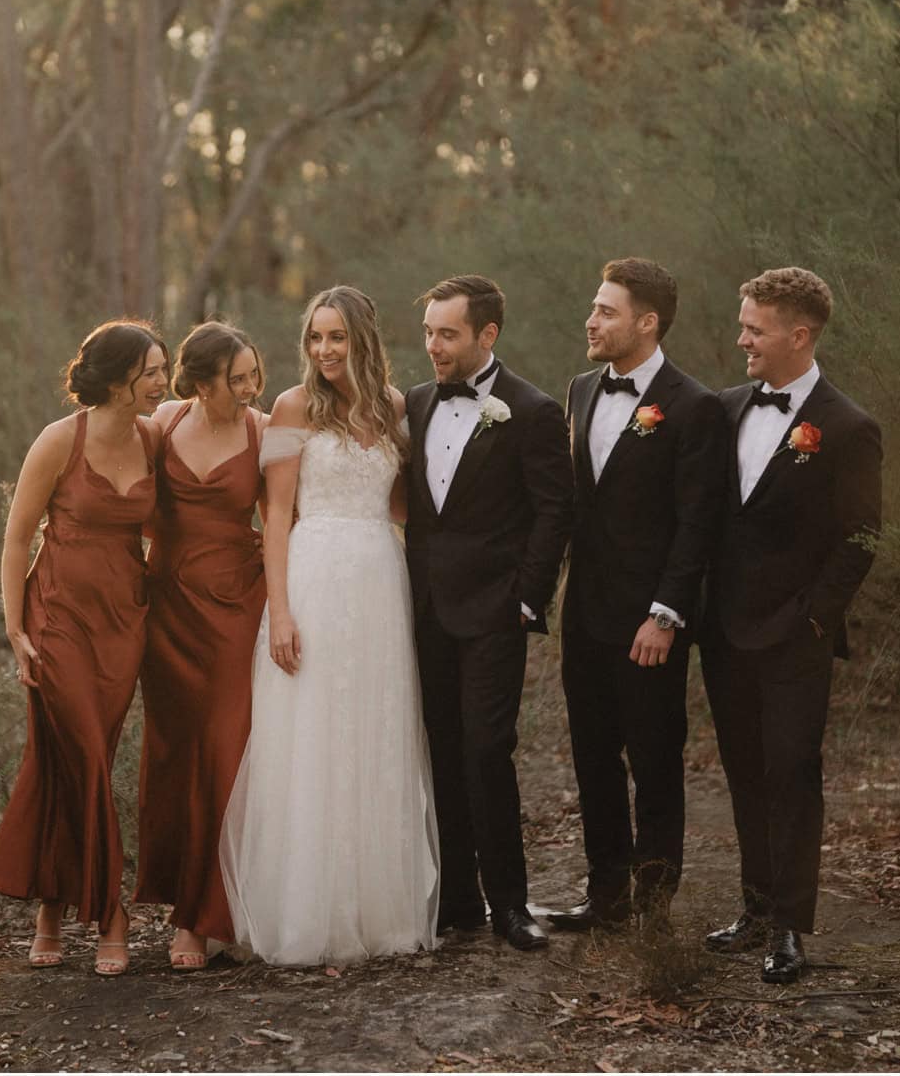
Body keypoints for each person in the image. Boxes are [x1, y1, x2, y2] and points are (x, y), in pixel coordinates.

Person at [218, 286, 438, 965]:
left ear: (363, 339)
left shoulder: (395, 409)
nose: (324, 350)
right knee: (312, 731)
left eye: (337, 336)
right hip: (312, 577)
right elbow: (274, 514)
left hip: (378, 579)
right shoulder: (289, 408)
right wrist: (280, 610)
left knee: (376, 726)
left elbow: (403, 505)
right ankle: (307, 911)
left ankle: (379, 911)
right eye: (315, 337)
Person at [701, 267, 882, 984]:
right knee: (744, 771)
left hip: (794, 638)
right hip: (725, 632)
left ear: (798, 335)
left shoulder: (847, 427)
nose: (741, 336)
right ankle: (754, 906)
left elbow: (862, 537)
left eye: (754, 327)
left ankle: (789, 928)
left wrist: (813, 618)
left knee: (793, 775)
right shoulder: (725, 410)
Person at [0, 320, 169, 977]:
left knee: (69, 761)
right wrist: (15, 629)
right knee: (84, 753)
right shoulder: (59, 442)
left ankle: (52, 908)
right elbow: (16, 539)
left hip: (122, 622)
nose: (162, 383)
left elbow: (166, 521)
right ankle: (110, 913)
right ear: (119, 379)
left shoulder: (152, 439)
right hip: (56, 617)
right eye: (152, 372)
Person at [549, 259, 726, 935]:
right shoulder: (580, 390)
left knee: (652, 759)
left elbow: (697, 522)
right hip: (586, 614)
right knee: (592, 757)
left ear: (647, 322)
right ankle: (606, 895)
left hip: (650, 619)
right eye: (594, 308)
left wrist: (666, 613)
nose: (591, 321)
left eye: (607, 311)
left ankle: (654, 904)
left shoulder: (693, 405)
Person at [402, 274, 574, 952]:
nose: (433, 346)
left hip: (495, 610)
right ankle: (457, 899)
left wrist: (527, 598)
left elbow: (556, 509)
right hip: (424, 607)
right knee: (440, 749)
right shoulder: (414, 402)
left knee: (486, 749)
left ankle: (510, 901)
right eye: (428, 332)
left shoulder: (529, 410)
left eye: (447, 333)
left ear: (486, 335)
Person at [134, 322, 268, 971]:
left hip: (239, 605)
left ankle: (202, 915)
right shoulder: (161, 421)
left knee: (226, 745)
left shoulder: (263, 430)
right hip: (169, 608)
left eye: (252, 376)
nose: (248, 388)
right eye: (235, 378)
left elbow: (285, 516)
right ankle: (179, 898)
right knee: (174, 752)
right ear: (202, 381)